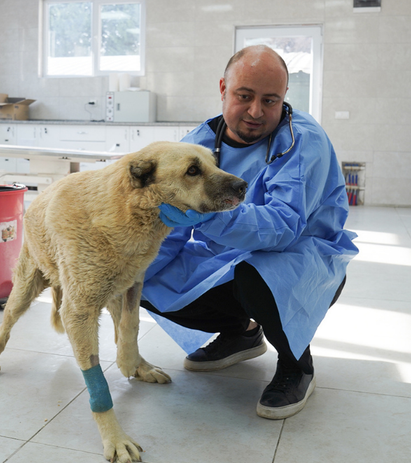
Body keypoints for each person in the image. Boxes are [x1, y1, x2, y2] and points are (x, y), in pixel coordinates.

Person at [140, 45, 358, 420]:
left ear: (284, 99)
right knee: (141, 279)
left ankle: (296, 365)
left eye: (269, 100)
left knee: (256, 274)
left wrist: (207, 215)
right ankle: (241, 333)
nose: (256, 111)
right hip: (228, 257)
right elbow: (167, 232)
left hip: (303, 258)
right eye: (244, 96)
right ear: (223, 88)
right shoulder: (195, 145)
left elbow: (284, 227)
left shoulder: (303, 143)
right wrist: (125, 272)